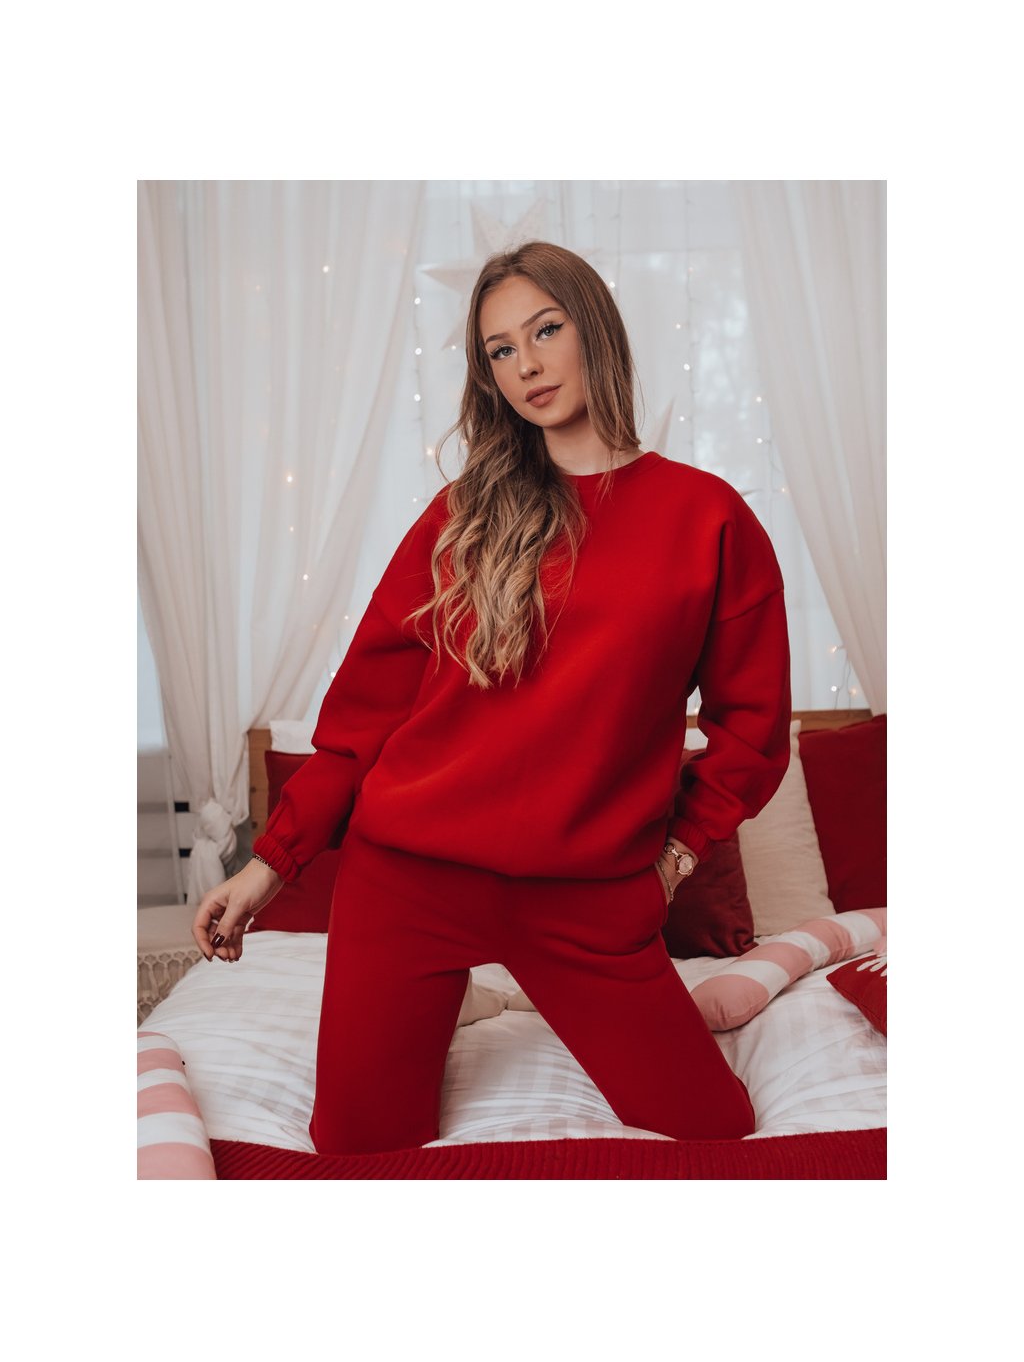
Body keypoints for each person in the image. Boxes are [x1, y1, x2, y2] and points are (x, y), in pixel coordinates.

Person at [192, 240, 792, 1156]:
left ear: (594, 330)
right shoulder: (462, 515)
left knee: (713, 1131)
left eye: (545, 331)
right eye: (501, 350)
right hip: (408, 880)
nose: (527, 365)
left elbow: (753, 726)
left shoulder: (707, 517)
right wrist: (269, 865)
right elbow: (361, 722)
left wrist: (675, 856)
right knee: (359, 1145)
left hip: (588, 898)